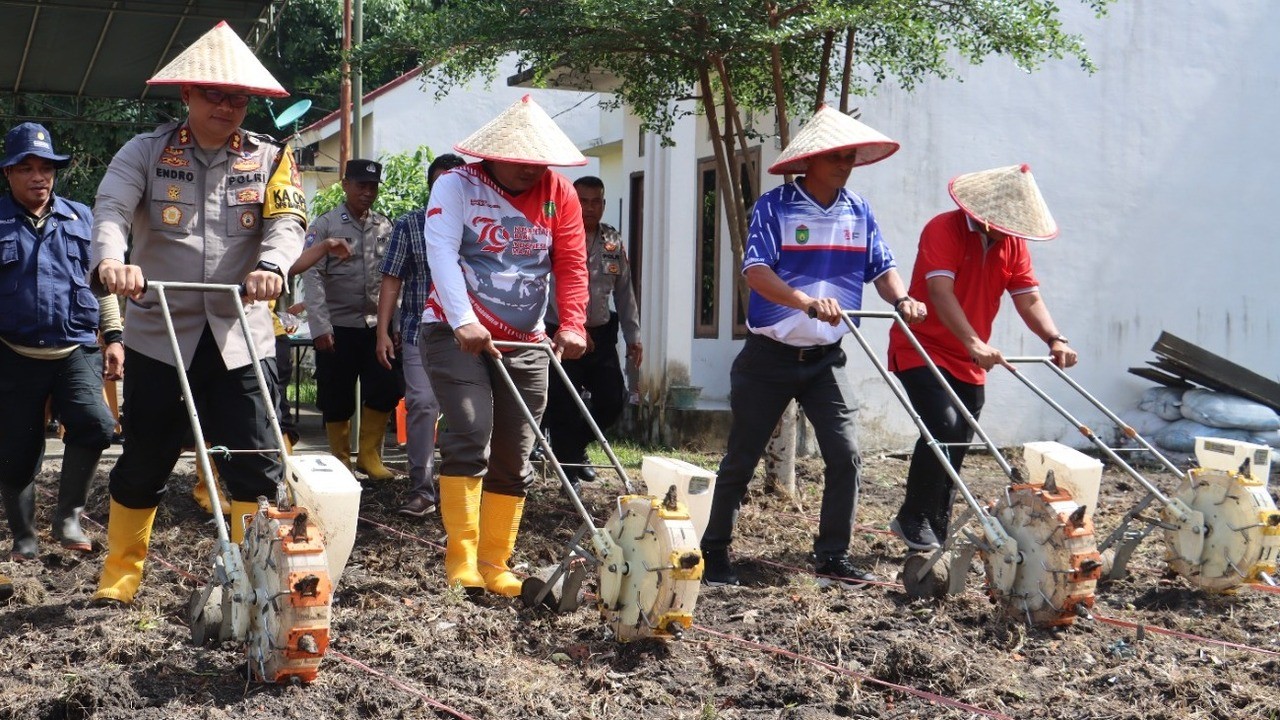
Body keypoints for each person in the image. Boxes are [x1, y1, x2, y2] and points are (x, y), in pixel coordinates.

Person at [88, 21, 307, 605]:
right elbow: (110, 208)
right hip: (161, 333)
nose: (228, 107)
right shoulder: (146, 152)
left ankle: (254, 580)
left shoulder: (271, 159)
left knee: (258, 465)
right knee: (146, 457)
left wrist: (274, 266)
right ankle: (121, 571)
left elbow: (288, 225)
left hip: (242, 335)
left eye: (239, 98)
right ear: (187, 95)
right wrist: (115, 261)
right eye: (215, 94)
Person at [700, 105, 927, 588]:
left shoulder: (859, 210)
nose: (843, 163)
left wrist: (902, 297)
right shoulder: (775, 206)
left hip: (826, 359)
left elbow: (882, 268)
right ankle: (714, 550)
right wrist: (803, 301)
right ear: (809, 161)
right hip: (768, 357)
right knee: (742, 457)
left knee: (845, 455)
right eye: (833, 156)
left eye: (849, 155)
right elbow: (756, 272)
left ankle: (832, 556)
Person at [423, 95, 588, 596]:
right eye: (517, 160)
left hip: (527, 342)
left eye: (536, 161)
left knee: (516, 453)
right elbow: (442, 252)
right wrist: (464, 320)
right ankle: (462, 559)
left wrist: (574, 324)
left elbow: (571, 263)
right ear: (491, 153)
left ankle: (497, 562)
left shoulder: (560, 193)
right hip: (458, 332)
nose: (526, 170)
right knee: (472, 430)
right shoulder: (457, 185)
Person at [887, 164, 1077, 550]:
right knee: (942, 424)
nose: (1011, 230)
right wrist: (974, 342)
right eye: (1006, 222)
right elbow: (939, 291)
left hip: (970, 356)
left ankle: (936, 525)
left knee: (960, 436)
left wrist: (1054, 338)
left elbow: (1028, 297)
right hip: (922, 346)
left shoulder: (1012, 244)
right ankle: (913, 517)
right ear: (984, 213)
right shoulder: (944, 228)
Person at [0, 122, 122, 560]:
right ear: (8, 173)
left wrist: (113, 336)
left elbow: (101, 284)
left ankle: (68, 516)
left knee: (96, 422)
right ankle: (24, 535)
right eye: (26, 168)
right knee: (15, 447)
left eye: (47, 167)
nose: (39, 176)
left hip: (75, 348)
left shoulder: (83, 218)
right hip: (12, 353)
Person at [375, 153, 466, 517]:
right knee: (423, 404)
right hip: (418, 332)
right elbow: (391, 279)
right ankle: (422, 489)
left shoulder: (477, 227)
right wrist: (382, 331)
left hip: (466, 334)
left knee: (466, 413)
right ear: (431, 187)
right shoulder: (410, 224)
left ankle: (462, 490)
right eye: (441, 183)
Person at [301, 160, 401, 481]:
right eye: (361, 185)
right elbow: (311, 275)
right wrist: (320, 325)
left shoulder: (386, 227)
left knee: (387, 387)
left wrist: (393, 326)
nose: (367, 193)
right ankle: (340, 460)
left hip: (376, 328)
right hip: (337, 327)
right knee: (336, 395)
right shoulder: (325, 225)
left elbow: (395, 277)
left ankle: (369, 457)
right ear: (345, 185)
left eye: (372, 187)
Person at [542, 176, 642, 493]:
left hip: (602, 333)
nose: (589, 208)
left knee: (612, 400)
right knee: (563, 403)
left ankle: (573, 449)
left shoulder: (613, 241)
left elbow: (625, 293)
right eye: (582, 200)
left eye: (595, 201)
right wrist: (574, 327)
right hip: (561, 333)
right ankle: (568, 470)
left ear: (603, 204)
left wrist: (634, 337)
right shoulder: (556, 234)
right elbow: (548, 287)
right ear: (571, 201)